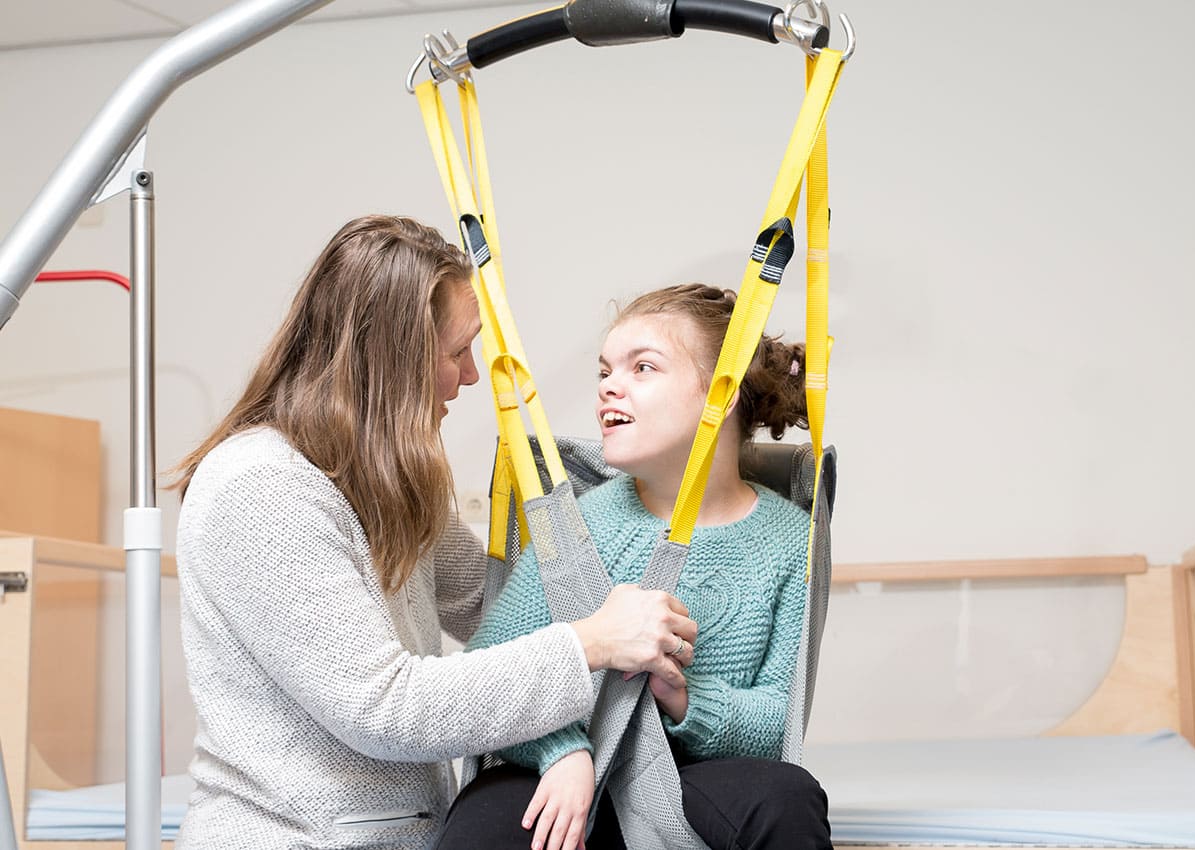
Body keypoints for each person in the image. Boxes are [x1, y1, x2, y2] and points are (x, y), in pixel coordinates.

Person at [170, 215, 698, 850]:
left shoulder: (390, 481)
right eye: (456, 352)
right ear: (391, 361)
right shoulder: (261, 490)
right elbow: (383, 707)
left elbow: (499, 607)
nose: (471, 375)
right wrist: (592, 642)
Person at [439, 284, 832, 850]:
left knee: (787, 795)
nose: (608, 387)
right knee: (486, 821)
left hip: (693, 778)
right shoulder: (574, 524)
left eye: (642, 367)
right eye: (604, 372)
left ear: (723, 392)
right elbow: (490, 670)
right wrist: (562, 749)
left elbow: (778, 716)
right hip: (570, 771)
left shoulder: (792, 542)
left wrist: (685, 697)